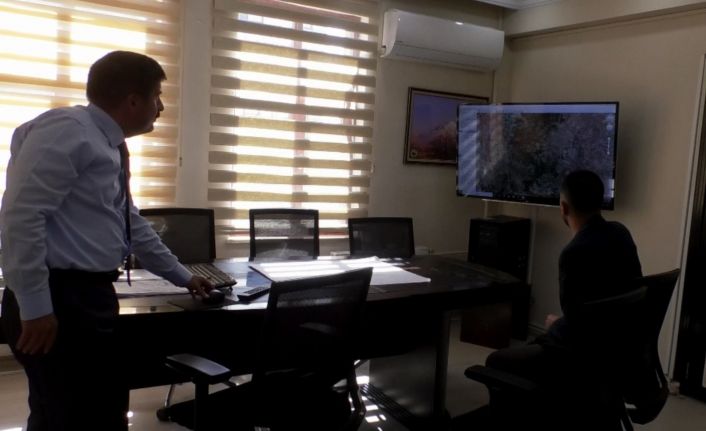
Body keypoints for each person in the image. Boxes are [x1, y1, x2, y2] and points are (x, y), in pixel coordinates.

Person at [0, 51, 214, 431]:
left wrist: (183, 276)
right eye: (157, 97)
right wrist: (35, 307)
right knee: (72, 417)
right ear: (132, 100)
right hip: (60, 298)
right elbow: (20, 217)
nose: (161, 108)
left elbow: (130, 223)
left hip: (87, 297)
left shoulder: (106, 143)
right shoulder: (69, 131)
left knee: (91, 412)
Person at [484, 169, 642, 429]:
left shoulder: (574, 253)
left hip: (582, 361)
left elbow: (577, 333)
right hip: (618, 356)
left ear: (563, 208)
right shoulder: (620, 234)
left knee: (496, 361)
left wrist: (555, 324)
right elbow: (603, 309)